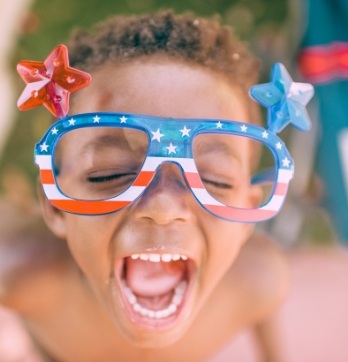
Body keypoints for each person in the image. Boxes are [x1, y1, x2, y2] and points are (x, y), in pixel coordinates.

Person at [8, 9, 313, 361]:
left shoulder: (260, 282)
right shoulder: (19, 273)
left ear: (248, 217)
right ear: (55, 204)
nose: (163, 207)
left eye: (215, 180)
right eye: (108, 175)